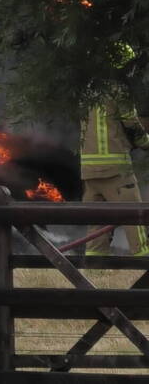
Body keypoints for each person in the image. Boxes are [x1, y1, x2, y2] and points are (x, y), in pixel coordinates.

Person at [81, 45, 149, 256]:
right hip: (115, 169)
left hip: (89, 170)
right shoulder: (118, 90)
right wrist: (146, 142)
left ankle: (95, 273)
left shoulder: (87, 91)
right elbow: (132, 123)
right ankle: (145, 268)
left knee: (96, 227)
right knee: (135, 219)